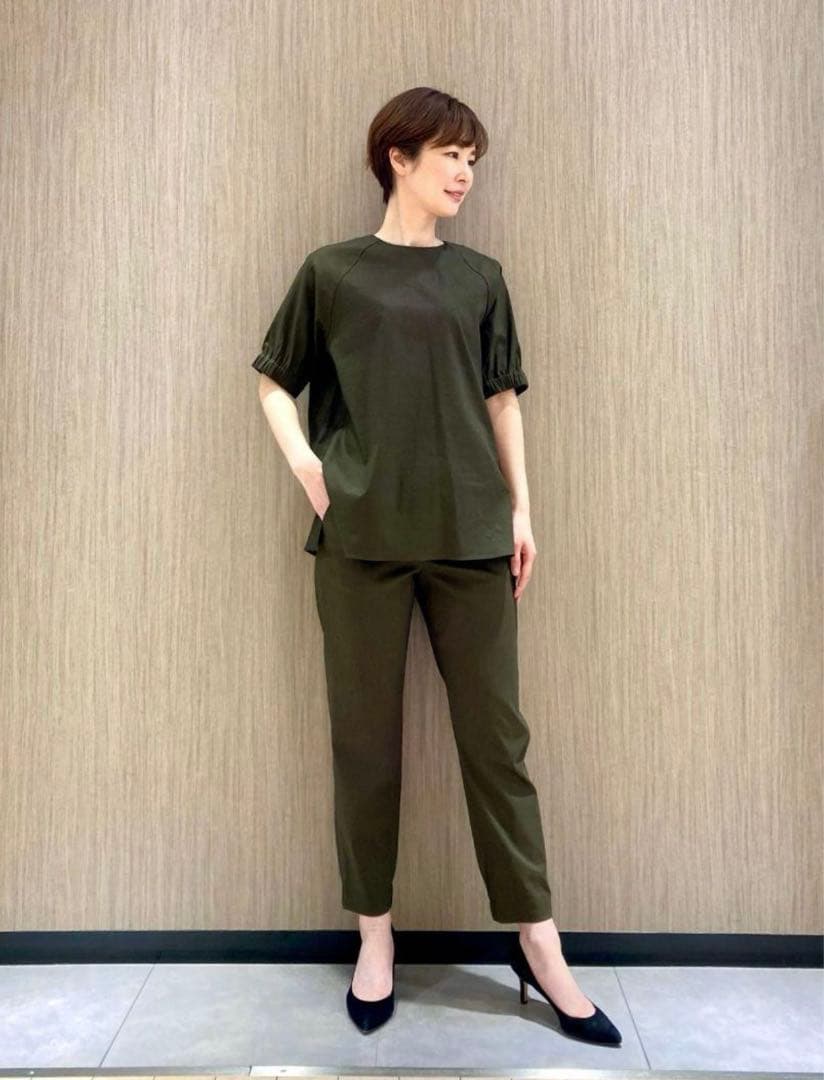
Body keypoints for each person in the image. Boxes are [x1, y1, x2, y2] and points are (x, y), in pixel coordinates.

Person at [251, 86, 621, 1048]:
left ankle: (538, 943)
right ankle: (374, 938)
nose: (465, 173)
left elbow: (502, 399)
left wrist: (523, 509)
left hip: (473, 537)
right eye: (451, 154)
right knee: (365, 746)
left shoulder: (479, 277)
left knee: (497, 745)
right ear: (399, 157)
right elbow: (273, 379)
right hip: (361, 541)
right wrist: (309, 468)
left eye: (473, 159)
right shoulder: (332, 272)